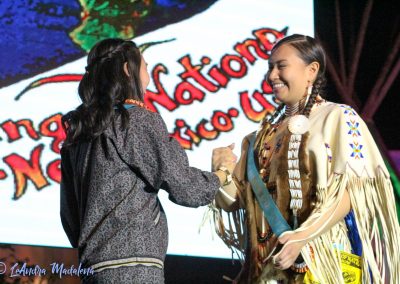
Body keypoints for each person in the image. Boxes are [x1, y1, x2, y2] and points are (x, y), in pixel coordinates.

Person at [211, 34, 400, 283]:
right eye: (270, 68)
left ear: (311, 70)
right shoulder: (255, 139)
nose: (272, 76)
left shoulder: (338, 117)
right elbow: (233, 202)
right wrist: (222, 170)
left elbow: (355, 188)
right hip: (266, 268)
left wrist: (303, 236)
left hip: (321, 260)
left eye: (281, 66)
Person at [60, 38, 236, 283]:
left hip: (93, 270)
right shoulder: (136, 120)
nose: (149, 69)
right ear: (126, 69)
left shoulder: (78, 135)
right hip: (134, 267)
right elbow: (186, 187)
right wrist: (223, 172)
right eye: (144, 63)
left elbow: (70, 219)